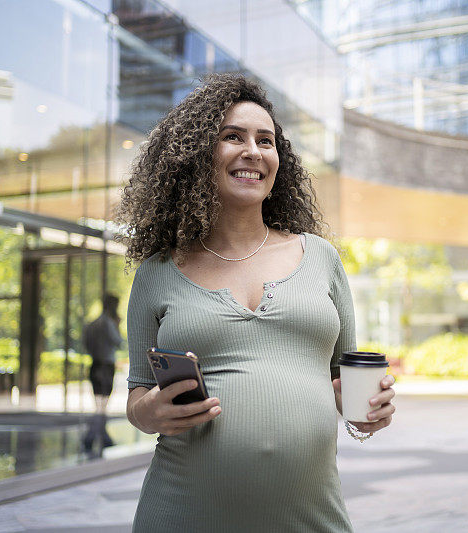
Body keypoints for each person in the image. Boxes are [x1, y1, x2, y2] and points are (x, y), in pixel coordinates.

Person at [115, 73, 396, 532]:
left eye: (266, 140)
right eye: (232, 137)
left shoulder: (320, 258)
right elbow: (138, 394)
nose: (253, 151)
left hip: (309, 519)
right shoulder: (158, 273)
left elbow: (343, 383)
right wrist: (150, 412)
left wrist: (366, 412)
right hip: (183, 514)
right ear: (197, 155)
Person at [82, 293, 123, 453]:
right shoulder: (108, 324)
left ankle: (101, 437)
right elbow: (118, 342)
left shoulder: (92, 324)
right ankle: (91, 437)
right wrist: (117, 325)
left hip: (95, 364)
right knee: (102, 405)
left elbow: (86, 344)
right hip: (105, 366)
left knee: (99, 404)